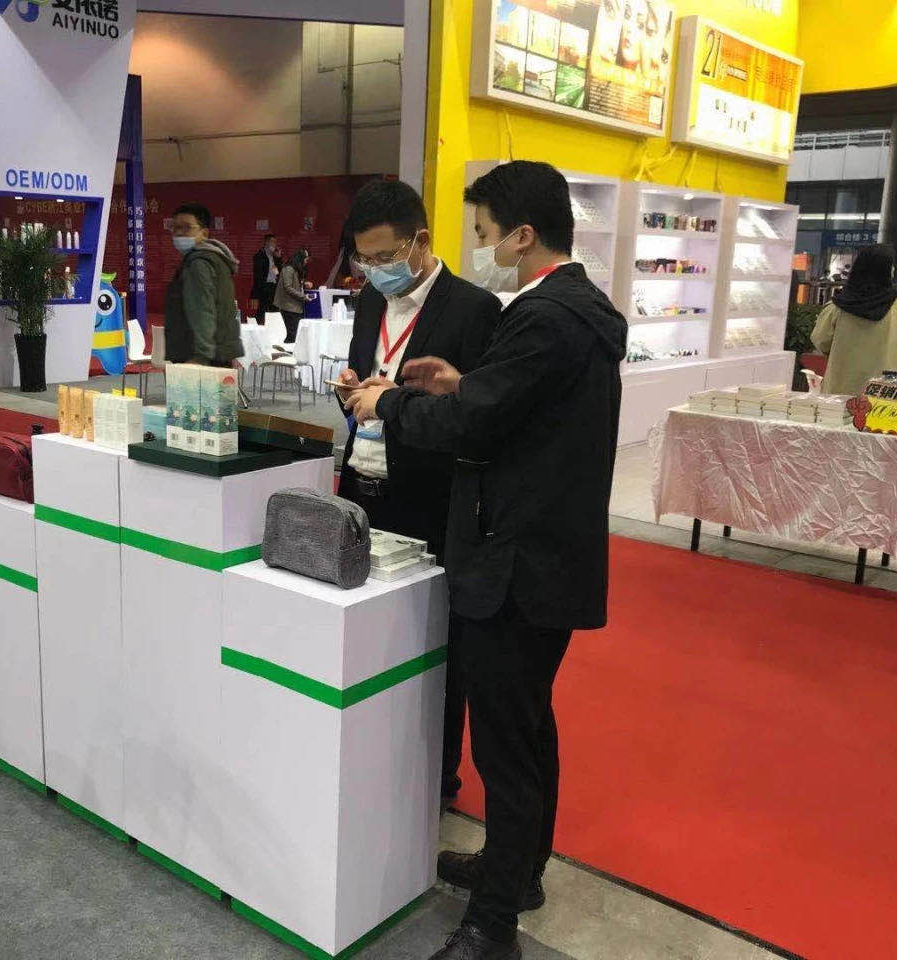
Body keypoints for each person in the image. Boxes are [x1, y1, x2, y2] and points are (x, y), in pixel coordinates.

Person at [345, 160, 627, 960]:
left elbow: (475, 427)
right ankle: (518, 869)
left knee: (506, 746)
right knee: (527, 728)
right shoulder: (576, 312)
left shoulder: (544, 316)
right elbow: (514, 413)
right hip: (544, 554)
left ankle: (492, 923)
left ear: (523, 235)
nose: (483, 246)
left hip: (515, 561)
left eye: (486, 232)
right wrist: (463, 384)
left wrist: (393, 401)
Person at [334, 178, 501, 810]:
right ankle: (374, 764)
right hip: (364, 485)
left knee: (434, 642)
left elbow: (475, 416)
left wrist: (396, 403)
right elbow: (369, 386)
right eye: (364, 259)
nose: (374, 270)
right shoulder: (370, 303)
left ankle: (437, 778)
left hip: (432, 496)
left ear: (420, 241)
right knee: (370, 634)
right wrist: (354, 391)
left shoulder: (475, 310)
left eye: (384, 257)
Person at [811, 244, 897, 396]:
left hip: (840, 388)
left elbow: (820, 340)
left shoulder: (837, 306)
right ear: (887, 270)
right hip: (886, 391)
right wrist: (895, 356)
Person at [163, 202, 244, 367]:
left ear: (204, 233)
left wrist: (200, 357)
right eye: (176, 227)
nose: (179, 233)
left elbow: (203, 310)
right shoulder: (215, 258)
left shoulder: (198, 263)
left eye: (187, 227)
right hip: (217, 354)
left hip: (200, 358)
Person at [273, 247, 310, 344]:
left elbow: (294, 283)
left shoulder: (296, 269)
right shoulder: (288, 269)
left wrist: (304, 284)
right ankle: (288, 351)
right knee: (292, 335)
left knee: (295, 334)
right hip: (288, 307)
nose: (306, 262)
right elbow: (288, 288)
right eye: (306, 259)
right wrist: (303, 297)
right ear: (300, 258)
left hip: (295, 306)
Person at [251, 233, 281, 324]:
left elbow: (279, 271)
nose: (274, 244)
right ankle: (258, 327)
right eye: (272, 242)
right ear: (266, 242)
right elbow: (258, 274)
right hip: (264, 287)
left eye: (275, 242)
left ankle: (273, 328)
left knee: (274, 310)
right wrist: (261, 287)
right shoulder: (260, 255)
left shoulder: (275, 256)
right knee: (261, 310)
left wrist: (278, 258)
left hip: (273, 286)